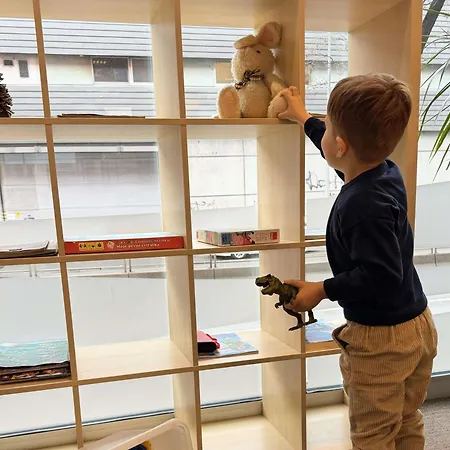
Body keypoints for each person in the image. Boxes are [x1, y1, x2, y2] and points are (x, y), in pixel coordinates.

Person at [278, 74, 438, 450]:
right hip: (417, 324)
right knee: (406, 418)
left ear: (341, 145)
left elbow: (381, 275)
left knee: (373, 435)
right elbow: (337, 152)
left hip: (382, 342)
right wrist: (304, 118)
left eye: (329, 124)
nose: (325, 130)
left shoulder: (361, 206)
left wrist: (321, 289)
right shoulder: (385, 172)